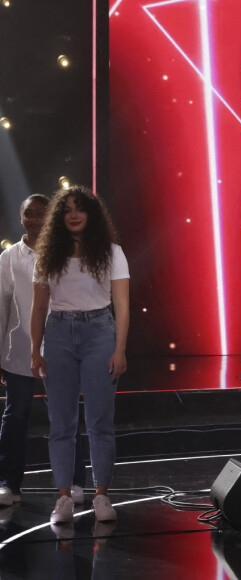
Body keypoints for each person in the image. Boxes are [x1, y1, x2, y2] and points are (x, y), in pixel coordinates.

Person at [30, 186, 130, 525]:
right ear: (60, 217)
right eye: (67, 209)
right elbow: (39, 305)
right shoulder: (47, 255)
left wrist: (120, 347)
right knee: (61, 423)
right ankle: (63, 499)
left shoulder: (112, 252)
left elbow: (122, 305)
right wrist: (35, 348)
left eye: (79, 208)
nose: (73, 214)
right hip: (58, 334)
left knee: (100, 421)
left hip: (100, 332)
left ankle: (101, 495)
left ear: (91, 214)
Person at [0, 195, 85, 507]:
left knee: (65, 417)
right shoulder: (9, 257)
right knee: (16, 415)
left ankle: (74, 481)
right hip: (18, 350)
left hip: (61, 349)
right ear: (21, 217)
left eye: (41, 213)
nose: (34, 219)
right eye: (28, 214)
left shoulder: (69, 253)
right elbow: (1, 307)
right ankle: (8, 484)